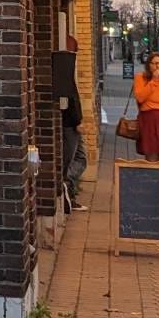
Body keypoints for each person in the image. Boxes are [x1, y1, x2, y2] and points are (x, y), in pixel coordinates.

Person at [58, 37, 87, 212]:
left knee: (80, 157)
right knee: (73, 159)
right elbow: (70, 98)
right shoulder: (64, 69)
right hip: (70, 123)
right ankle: (64, 184)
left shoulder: (67, 69)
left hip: (73, 121)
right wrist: (77, 121)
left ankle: (68, 189)